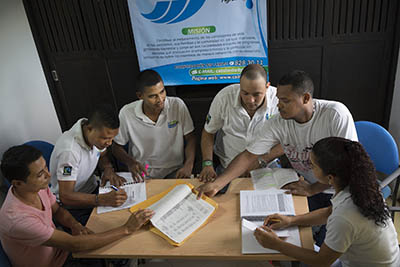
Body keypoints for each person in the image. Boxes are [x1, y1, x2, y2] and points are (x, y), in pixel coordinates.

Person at [196, 70, 358, 244]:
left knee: (311, 244)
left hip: (341, 192)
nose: (278, 105)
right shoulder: (278, 121)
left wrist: (313, 189)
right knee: (278, 231)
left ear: (305, 98)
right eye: (279, 99)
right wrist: (217, 184)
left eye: (285, 100)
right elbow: (249, 155)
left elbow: (350, 168)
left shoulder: (335, 115)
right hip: (306, 190)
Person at [254, 137, 399, 266]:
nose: (310, 168)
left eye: (313, 165)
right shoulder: (363, 189)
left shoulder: (345, 218)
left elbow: (322, 261)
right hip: (375, 260)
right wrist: (291, 220)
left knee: (291, 254)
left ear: (330, 178)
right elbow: (329, 212)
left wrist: (276, 244)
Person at [0, 145, 154, 267]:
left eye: (46, 167)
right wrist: (127, 228)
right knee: (118, 243)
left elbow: (58, 211)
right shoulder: (18, 219)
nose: (48, 175)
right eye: (40, 174)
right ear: (18, 183)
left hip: (59, 250)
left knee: (111, 244)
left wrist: (75, 224)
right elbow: (74, 244)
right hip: (54, 262)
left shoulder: (37, 187)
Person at [199, 64, 283, 182]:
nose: (250, 100)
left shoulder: (279, 99)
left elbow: (290, 138)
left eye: (256, 94)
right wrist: (207, 164)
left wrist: (262, 160)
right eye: (245, 93)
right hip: (228, 166)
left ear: (267, 87)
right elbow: (208, 132)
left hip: (267, 165)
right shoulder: (224, 98)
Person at [112, 69, 196, 181]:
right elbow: (116, 147)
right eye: (153, 96)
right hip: (143, 173)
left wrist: (188, 165)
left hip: (175, 171)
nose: (160, 100)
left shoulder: (177, 105)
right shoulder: (127, 113)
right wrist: (131, 163)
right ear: (140, 96)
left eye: (162, 92)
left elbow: (190, 138)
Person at [50, 105, 127, 225]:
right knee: (109, 228)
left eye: (112, 138)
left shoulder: (93, 133)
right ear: (90, 129)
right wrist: (101, 200)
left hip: (93, 191)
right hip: (73, 207)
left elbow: (103, 155)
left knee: (125, 215)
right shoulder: (69, 152)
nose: (109, 143)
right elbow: (66, 196)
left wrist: (108, 169)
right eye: (106, 139)